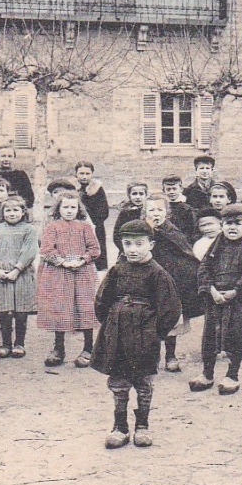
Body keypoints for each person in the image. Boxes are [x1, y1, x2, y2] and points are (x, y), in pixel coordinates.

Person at [93, 220, 183, 448]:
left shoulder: (158, 273)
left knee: (142, 380)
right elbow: (102, 300)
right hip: (118, 334)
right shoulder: (117, 270)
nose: (132, 249)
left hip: (145, 336)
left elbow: (170, 308)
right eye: (127, 244)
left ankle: (142, 425)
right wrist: (113, 323)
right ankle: (120, 426)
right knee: (119, 380)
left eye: (139, 244)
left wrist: (154, 333)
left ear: (151, 244)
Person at [191, 203, 242, 395]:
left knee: (236, 335)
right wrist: (212, 290)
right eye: (228, 223)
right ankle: (207, 374)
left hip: (239, 301)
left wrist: (236, 290)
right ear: (222, 225)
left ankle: (232, 375)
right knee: (209, 336)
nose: (232, 227)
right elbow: (204, 268)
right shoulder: (216, 246)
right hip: (215, 299)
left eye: (237, 223)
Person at [37, 190, 102, 369]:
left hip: (83, 273)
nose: (69, 210)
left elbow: (95, 249)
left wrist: (82, 259)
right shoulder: (52, 227)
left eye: (73, 207)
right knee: (61, 308)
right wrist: (63, 262)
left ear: (78, 209)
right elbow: (46, 249)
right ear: (58, 208)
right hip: (60, 274)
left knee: (85, 307)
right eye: (65, 207)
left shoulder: (85, 227)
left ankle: (88, 348)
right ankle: (59, 348)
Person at [142, 193, 200, 373]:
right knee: (149, 320)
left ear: (167, 212)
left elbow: (185, 253)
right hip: (148, 282)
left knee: (170, 319)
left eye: (160, 209)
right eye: (151, 210)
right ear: (145, 213)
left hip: (169, 282)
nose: (156, 213)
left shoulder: (172, 230)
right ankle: (151, 357)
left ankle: (170, 356)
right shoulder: (141, 230)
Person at [0, 193, 39, 360]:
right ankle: (5, 344)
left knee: (21, 312)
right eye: (8, 210)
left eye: (16, 210)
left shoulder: (29, 229)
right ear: (3, 212)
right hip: (0, 275)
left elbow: (30, 251)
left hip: (21, 275)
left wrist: (16, 269)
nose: (12, 213)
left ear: (23, 212)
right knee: (4, 311)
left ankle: (19, 344)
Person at [74, 161, 111, 271]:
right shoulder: (72, 188)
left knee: (97, 251)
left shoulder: (97, 189)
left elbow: (104, 211)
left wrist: (92, 219)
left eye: (87, 173)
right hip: (76, 226)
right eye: (81, 173)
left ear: (92, 174)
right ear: (76, 174)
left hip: (95, 226)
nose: (84, 177)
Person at [0, 146, 35, 210]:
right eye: (3, 156)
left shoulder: (21, 175)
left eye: (10, 156)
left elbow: (29, 199)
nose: (6, 159)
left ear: (14, 158)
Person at [112, 182, 149, 253]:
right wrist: (125, 250)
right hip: (128, 250)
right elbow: (116, 235)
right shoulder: (125, 213)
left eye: (141, 194)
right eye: (134, 194)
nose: (138, 197)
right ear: (129, 195)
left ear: (146, 195)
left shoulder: (148, 211)